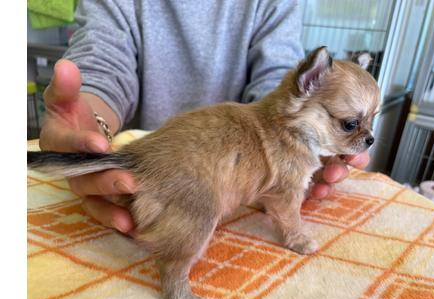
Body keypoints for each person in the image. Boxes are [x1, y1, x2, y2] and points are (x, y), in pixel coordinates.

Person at [39, 0, 370, 234]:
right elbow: (103, 62)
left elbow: (277, 76)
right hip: (152, 167)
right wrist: (90, 123)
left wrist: (299, 149)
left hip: (236, 184)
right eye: (351, 123)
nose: (365, 134)